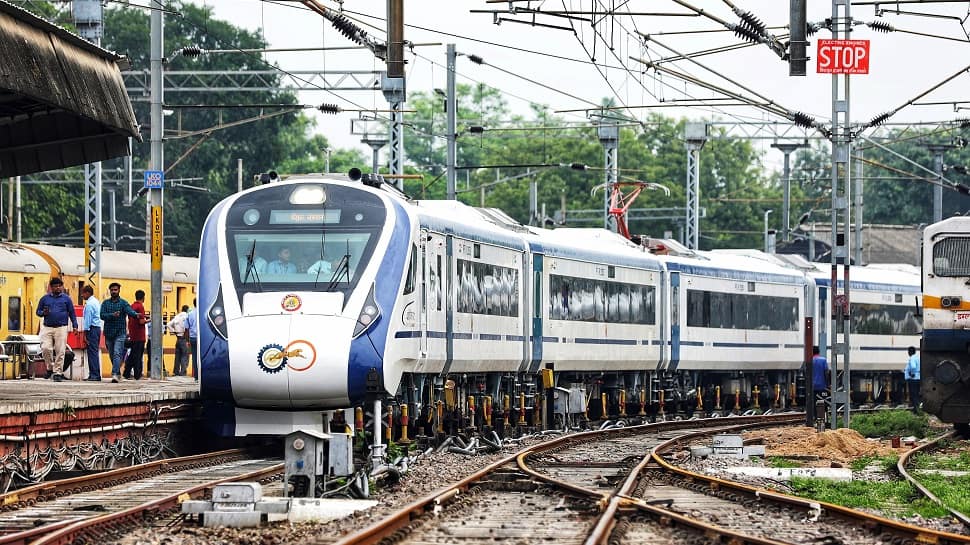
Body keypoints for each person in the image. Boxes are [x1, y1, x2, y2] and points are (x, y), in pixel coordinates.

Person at [35, 278, 78, 382]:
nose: (57, 287)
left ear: (61, 286)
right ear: (51, 287)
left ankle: (58, 372)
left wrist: (75, 326)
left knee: (60, 350)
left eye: (59, 285)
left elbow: (72, 313)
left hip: (61, 327)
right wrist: (43, 313)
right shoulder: (44, 299)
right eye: (55, 286)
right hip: (47, 327)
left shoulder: (66, 299)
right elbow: (38, 312)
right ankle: (50, 368)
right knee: (46, 348)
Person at [100, 282, 143, 383]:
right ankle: (118, 372)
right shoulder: (105, 303)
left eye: (116, 290)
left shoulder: (123, 303)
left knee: (117, 353)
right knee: (111, 354)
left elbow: (129, 311)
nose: (114, 291)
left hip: (120, 332)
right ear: (109, 291)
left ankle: (115, 374)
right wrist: (112, 315)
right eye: (112, 290)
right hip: (109, 333)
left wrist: (136, 315)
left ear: (119, 290)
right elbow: (102, 315)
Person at [123, 290, 147, 380]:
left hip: (132, 334)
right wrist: (149, 320)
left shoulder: (131, 306)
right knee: (138, 356)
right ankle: (137, 374)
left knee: (133, 355)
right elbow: (141, 321)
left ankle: (127, 372)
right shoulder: (140, 307)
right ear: (143, 297)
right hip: (140, 336)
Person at [80, 285, 102, 381]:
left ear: (87, 293)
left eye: (83, 293)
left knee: (92, 352)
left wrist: (84, 334)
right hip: (97, 329)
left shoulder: (89, 304)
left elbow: (88, 320)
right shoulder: (96, 302)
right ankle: (95, 373)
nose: (82, 295)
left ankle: (94, 375)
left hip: (91, 329)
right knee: (94, 351)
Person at [167, 305, 190, 376]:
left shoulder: (177, 317)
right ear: (187, 310)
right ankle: (183, 372)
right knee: (184, 355)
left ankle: (176, 371)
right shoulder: (187, 316)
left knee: (177, 356)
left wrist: (174, 332)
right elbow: (187, 327)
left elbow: (168, 324)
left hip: (178, 338)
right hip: (184, 338)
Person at [185, 299, 199, 380]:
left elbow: (186, 329)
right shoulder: (204, 312)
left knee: (194, 357)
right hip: (202, 338)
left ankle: (196, 376)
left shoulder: (190, 314)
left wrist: (187, 341)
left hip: (193, 338)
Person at [905, 346, 920, 413]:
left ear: (910, 352)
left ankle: (916, 409)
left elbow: (913, 367)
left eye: (908, 351)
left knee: (913, 394)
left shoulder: (912, 358)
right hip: (918, 378)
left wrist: (912, 373)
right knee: (916, 394)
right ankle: (917, 408)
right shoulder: (917, 358)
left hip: (913, 379)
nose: (908, 353)